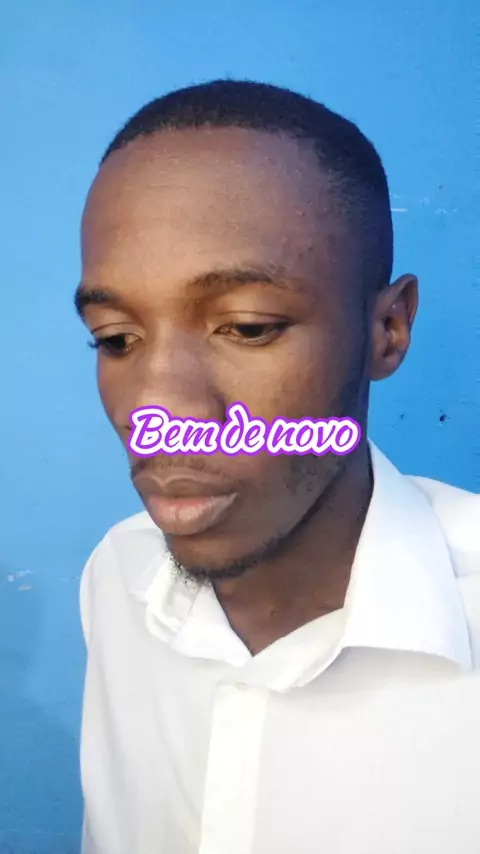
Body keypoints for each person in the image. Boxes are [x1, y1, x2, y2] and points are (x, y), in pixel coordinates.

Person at [75, 79, 480, 854]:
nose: (158, 409)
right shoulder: (118, 580)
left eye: (248, 327)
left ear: (388, 329)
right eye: (116, 338)